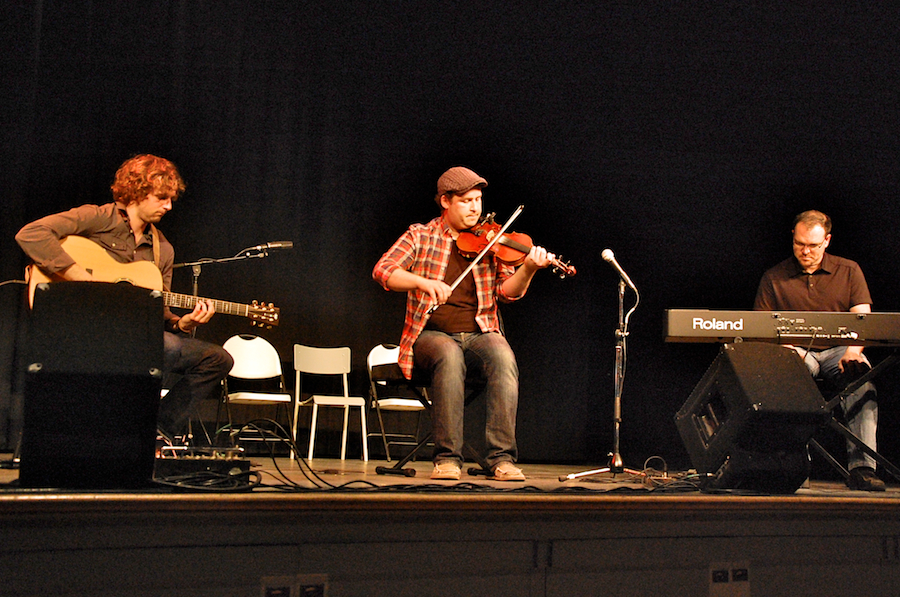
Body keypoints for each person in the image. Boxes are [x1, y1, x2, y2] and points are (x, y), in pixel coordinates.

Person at [15, 154, 233, 443]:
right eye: (160, 198)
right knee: (149, 350)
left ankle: (156, 430)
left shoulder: (162, 249)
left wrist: (183, 323)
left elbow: (159, 311)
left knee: (217, 358)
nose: (168, 206)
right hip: (83, 329)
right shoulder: (98, 217)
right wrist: (84, 279)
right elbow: (31, 234)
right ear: (138, 192)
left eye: (171, 199)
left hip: (133, 338)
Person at [372, 166, 553, 481]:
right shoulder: (421, 235)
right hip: (429, 335)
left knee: (503, 356)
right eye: (466, 201)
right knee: (448, 353)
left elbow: (507, 294)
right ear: (445, 201)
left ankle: (502, 459)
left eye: (478, 200)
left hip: (479, 331)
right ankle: (446, 458)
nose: (475, 208)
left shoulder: (492, 240)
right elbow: (384, 270)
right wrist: (423, 282)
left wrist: (529, 269)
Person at [754, 209, 883, 491]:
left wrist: (853, 350)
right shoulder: (774, 277)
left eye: (813, 245)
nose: (805, 251)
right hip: (797, 351)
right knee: (786, 375)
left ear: (827, 241)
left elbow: (864, 318)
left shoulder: (849, 270)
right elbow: (761, 328)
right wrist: (788, 351)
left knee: (861, 382)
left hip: (837, 349)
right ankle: (796, 468)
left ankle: (863, 468)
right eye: (799, 244)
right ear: (793, 238)